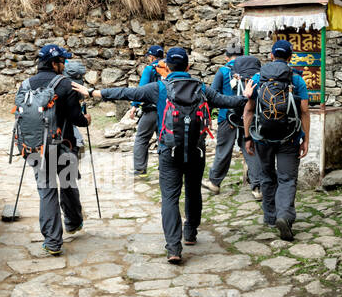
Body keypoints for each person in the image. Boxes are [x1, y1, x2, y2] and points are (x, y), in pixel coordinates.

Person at [92, 46, 247, 264]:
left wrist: (94, 93)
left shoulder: (159, 88)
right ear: (188, 66)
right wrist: (246, 96)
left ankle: (174, 248)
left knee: (170, 198)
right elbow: (228, 101)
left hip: (169, 150)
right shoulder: (201, 88)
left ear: (167, 66)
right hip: (196, 150)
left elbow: (127, 93)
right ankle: (190, 233)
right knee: (193, 191)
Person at [16, 44, 89, 257]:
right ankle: (73, 222)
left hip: (34, 146)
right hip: (63, 143)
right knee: (67, 182)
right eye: (63, 61)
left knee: (46, 189)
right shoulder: (65, 84)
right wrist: (87, 119)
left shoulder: (25, 84)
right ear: (54, 63)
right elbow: (77, 119)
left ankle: (52, 242)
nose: (64, 65)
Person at [243, 39, 312, 242]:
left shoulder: (258, 77)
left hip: (262, 137)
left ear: (271, 55)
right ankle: (284, 215)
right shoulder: (296, 79)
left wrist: (248, 137)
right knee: (287, 179)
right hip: (289, 138)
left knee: (266, 176)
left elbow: (248, 110)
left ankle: (271, 217)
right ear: (290, 58)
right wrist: (305, 138)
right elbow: (305, 111)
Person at [204, 44, 261, 195]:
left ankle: (214, 182)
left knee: (223, 149)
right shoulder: (251, 72)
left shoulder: (223, 71)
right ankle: (257, 188)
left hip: (227, 117)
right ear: (243, 55)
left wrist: (208, 115)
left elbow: (213, 95)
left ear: (226, 57)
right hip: (248, 117)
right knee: (250, 150)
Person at [131, 45, 167, 179]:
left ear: (151, 57)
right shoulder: (168, 68)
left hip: (150, 110)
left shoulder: (149, 69)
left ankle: (140, 170)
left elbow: (141, 89)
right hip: (165, 110)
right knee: (163, 138)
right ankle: (164, 167)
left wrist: (134, 105)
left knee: (142, 138)